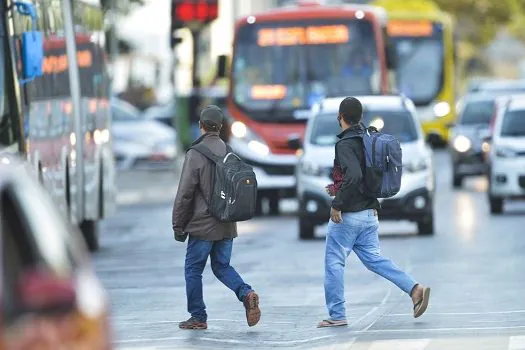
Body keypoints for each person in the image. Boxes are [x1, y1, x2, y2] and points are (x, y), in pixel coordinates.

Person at [317, 97, 430, 328]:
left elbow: (355, 176)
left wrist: (337, 204)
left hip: (349, 216)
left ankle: (337, 314)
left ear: (341, 117)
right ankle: (415, 289)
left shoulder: (345, 144)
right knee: (375, 260)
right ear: (360, 117)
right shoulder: (369, 139)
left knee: (334, 262)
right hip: (369, 213)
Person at [172, 105, 261, 330]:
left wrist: (178, 224)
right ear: (220, 127)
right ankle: (246, 292)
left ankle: (198, 316)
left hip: (202, 226)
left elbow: (185, 193)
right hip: (227, 223)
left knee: (193, 269)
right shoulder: (229, 151)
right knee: (222, 266)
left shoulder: (195, 153)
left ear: (201, 126)